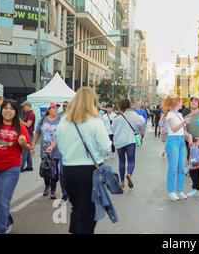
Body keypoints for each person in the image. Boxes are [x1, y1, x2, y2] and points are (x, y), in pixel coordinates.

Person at [57, 87, 111, 234]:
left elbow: (60, 146)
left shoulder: (64, 121)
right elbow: (106, 146)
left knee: (77, 207)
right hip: (89, 170)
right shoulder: (95, 121)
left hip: (68, 169)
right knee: (88, 212)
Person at [0, 99, 33, 234]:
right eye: (5, 108)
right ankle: (6, 219)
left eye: (11, 108)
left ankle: (0, 230)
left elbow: (28, 147)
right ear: (1, 110)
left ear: (15, 112)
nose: (8, 111)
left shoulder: (20, 127)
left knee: (2, 200)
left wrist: (23, 143)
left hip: (10, 169)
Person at [33, 102, 66, 200]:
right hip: (44, 150)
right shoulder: (42, 120)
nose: (56, 109)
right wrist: (32, 145)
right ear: (49, 110)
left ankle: (53, 190)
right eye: (54, 108)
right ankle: (47, 185)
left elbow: (62, 135)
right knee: (45, 170)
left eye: (57, 108)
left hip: (56, 151)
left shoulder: (60, 120)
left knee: (54, 172)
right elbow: (37, 133)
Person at [162, 95, 191, 201]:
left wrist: (189, 136)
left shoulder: (179, 114)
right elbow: (174, 129)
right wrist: (184, 122)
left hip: (181, 140)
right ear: (176, 103)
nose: (182, 103)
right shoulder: (170, 115)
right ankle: (171, 191)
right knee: (173, 168)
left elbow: (182, 130)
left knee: (182, 168)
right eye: (180, 101)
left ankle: (180, 190)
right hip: (173, 141)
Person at [112, 99, 145, 189]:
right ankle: (129, 174)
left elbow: (112, 130)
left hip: (119, 142)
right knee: (131, 160)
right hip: (130, 141)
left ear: (119, 107)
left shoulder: (116, 118)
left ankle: (122, 182)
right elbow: (142, 122)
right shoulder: (133, 114)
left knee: (121, 161)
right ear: (129, 105)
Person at [20, 101, 35, 172]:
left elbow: (28, 125)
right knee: (27, 151)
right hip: (28, 133)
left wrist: (20, 121)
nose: (23, 108)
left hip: (29, 134)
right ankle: (29, 166)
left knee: (25, 151)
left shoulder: (31, 114)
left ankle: (21, 167)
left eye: (24, 106)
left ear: (28, 106)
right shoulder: (28, 114)